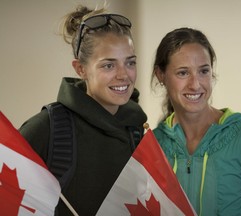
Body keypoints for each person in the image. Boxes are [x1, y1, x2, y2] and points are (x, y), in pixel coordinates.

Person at [19, 4, 147, 215]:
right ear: (80, 69)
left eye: (130, 63)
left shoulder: (137, 132)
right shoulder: (48, 129)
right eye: (109, 65)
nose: (124, 75)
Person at [151, 27, 241, 215]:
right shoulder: (152, 145)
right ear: (161, 75)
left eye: (203, 71)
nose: (195, 84)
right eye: (183, 73)